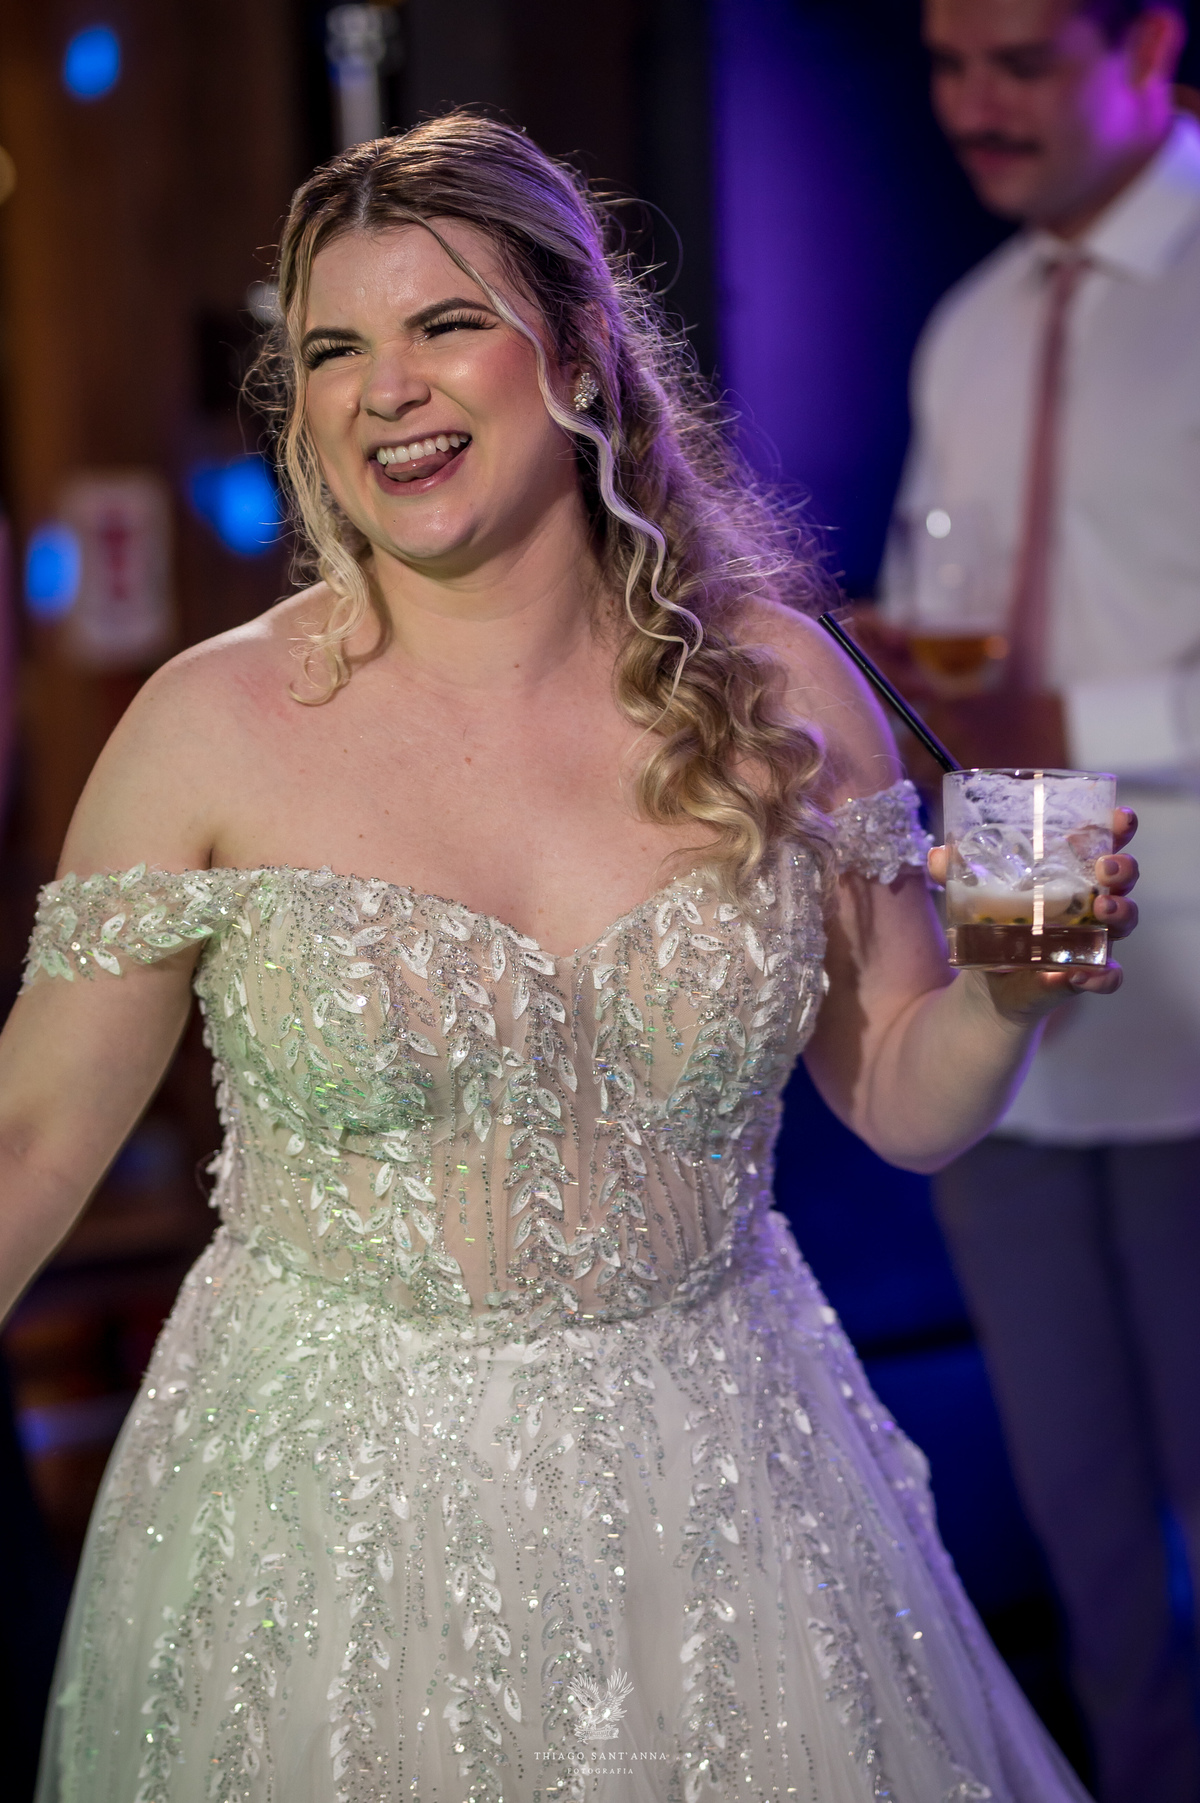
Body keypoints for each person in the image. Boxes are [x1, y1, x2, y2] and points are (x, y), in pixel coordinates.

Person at [9, 115, 1139, 1802]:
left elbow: (908, 1097)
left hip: (728, 1497)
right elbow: (30, 1137)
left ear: (585, 355)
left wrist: (1007, 995)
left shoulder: (782, 690)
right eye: (333, 349)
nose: (385, 388)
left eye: (445, 323)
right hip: (324, 1529)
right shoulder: (211, 723)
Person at [869, 4, 1200, 1799]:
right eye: (947, 62)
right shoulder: (971, 325)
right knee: (1082, 1537)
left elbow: (1036, 700)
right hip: (1008, 953)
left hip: (1196, 984)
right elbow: (954, 644)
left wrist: (1066, 719)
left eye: (1022, 61)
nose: (973, 105)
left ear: (1145, 43)